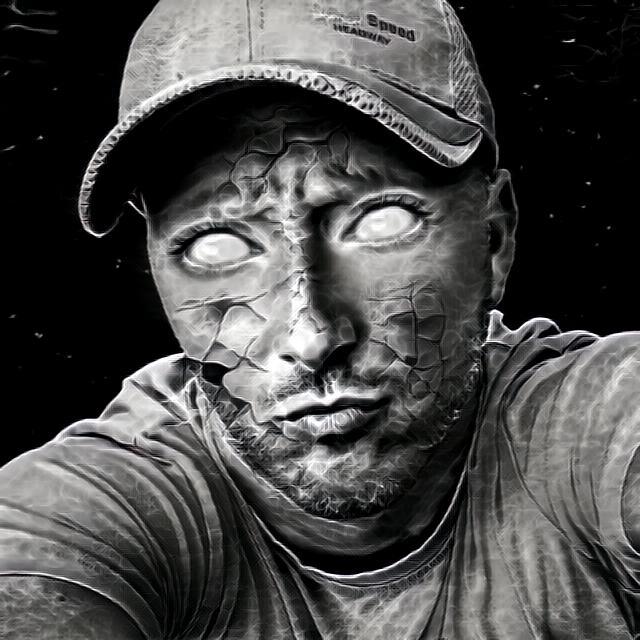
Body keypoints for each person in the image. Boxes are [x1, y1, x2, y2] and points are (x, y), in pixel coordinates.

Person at [1, 0, 638, 638]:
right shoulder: (102, 504)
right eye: (215, 245)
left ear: (493, 239)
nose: (311, 338)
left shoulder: (589, 427)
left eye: (381, 221)